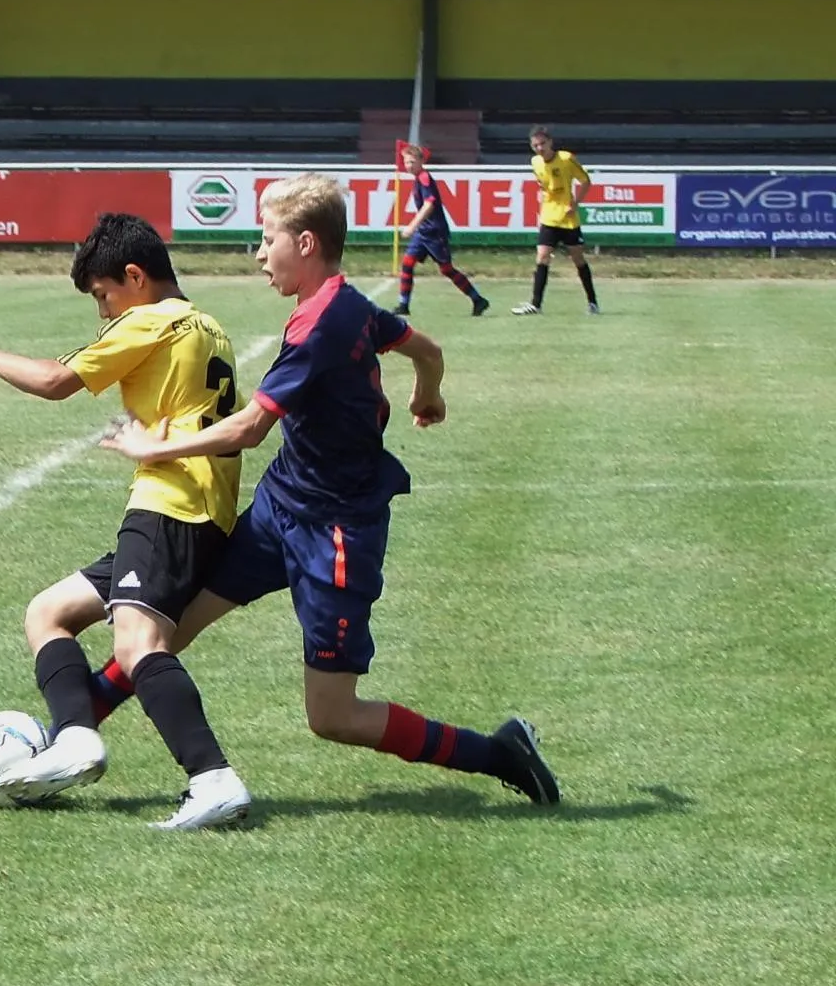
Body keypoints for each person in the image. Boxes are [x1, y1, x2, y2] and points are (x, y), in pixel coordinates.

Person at [99, 173, 562, 819]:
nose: (259, 255)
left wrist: (156, 449)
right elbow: (426, 349)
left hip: (336, 532)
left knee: (332, 715)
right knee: (163, 632)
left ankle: (500, 753)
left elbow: (250, 428)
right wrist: (428, 393)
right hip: (280, 507)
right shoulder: (346, 304)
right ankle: (69, 729)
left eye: (268, 240)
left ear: (306, 243)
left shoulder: (320, 325)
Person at [0, 213, 248, 824]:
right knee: (48, 612)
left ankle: (213, 778)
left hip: (171, 506)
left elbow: (56, 381)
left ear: (135, 276)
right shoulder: (207, 324)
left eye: (104, 295)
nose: (104, 312)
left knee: (137, 645)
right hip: (201, 509)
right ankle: (76, 737)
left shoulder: (151, 319)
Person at [394, 142, 489, 318]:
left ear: (421, 161)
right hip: (424, 232)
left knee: (446, 269)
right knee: (407, 263)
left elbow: (429, 204)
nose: (408, 166)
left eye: (412, 162)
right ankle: (403, 305)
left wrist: (412, 225)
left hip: (434, 232)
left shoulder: (425, 178)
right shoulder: (418, 179)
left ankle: (478, 299)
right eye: (406, 162)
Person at [513, 126, 599, 316]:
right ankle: (536, 304)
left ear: (550, 142)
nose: (539, 148)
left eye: (542, 143)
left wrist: (575, 203)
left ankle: (592, 302)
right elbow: (543, 184)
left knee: (578, 259)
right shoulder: (535, 162)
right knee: (542, 257)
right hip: (548, 217)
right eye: (535, 145)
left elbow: (585, 181)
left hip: (568, 219)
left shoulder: (566, 159)